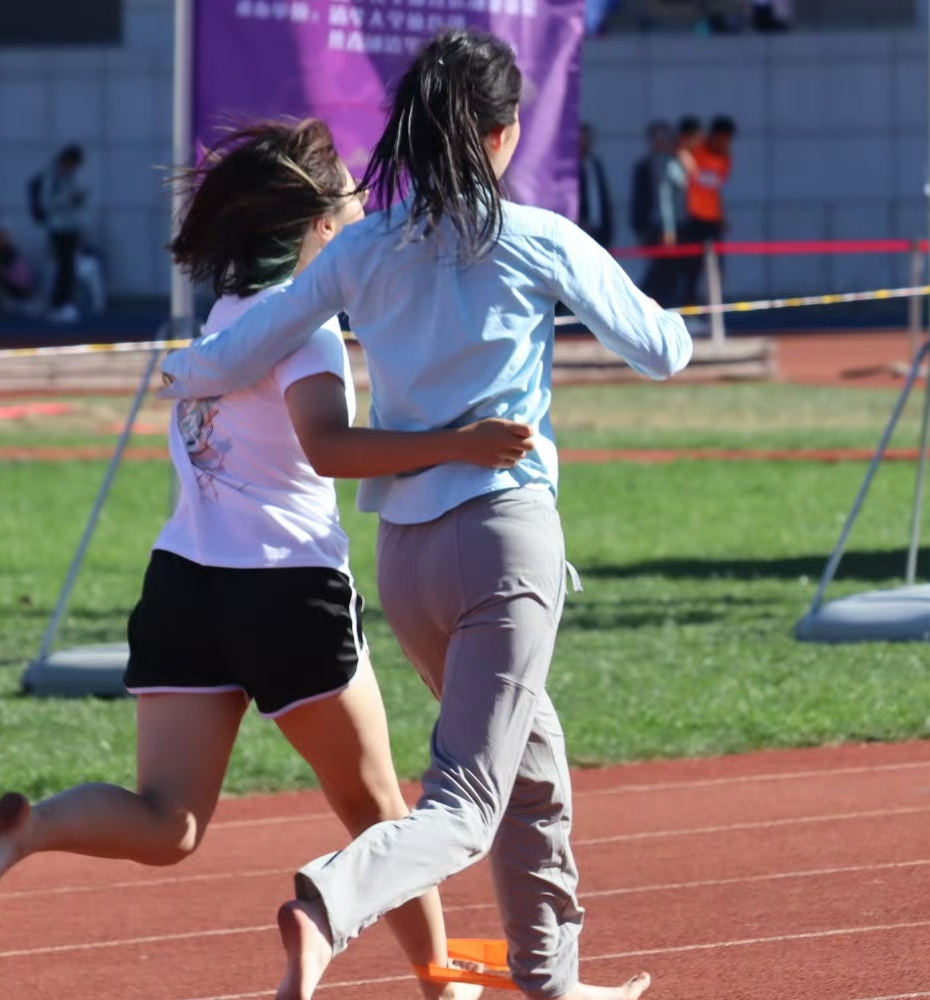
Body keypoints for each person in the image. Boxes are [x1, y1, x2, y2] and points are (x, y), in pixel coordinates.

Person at [0, 119, 538, 1000]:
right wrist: (458, 443)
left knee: (167, 822)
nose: (364, 214)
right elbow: (328, 448)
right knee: (377, 809)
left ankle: (33, 829)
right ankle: (439, 987)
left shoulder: (220, 324)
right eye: (352, 204)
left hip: (183, 588)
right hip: (286, 593)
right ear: (318, 225)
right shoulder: (303, 331)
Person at [154, 28, 689, 1000]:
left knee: (529, 763)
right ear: (501, 135)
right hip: (502, 540)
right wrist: (677, 327)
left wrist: (179, 371)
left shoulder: (362, 247)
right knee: (469, 799)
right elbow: (659, 351)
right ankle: (330, 901)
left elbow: (239, 350)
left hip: (406, 559)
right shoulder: (537, 237)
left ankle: (551, 978)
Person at [678, 115, 733, 325]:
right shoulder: (697, 150)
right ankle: (689, 316)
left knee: (717, 271)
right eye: (722, 139)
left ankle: (714, 319)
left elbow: (713, 186)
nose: (725, 144)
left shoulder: (725, 157)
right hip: (694, 219)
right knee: (691, 270)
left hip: (712, 221)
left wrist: (722, 216)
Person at [631, 119, 690, 307]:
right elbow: (660, 199)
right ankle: (644, 305)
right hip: (660, 228)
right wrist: (667, 229)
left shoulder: (675, 161)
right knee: (660, 271)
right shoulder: (652, 165)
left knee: (670, 272)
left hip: (677, 225)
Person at [31, 144, 90, 323]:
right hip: (58, 228)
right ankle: (57, 304)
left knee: (69, 267)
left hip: (70, 226)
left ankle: (63, 302)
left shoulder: (69, 177)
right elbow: (47, 202)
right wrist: (69, 199)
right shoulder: (52, 176)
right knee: (62, 267)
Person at [575, 123, 613, 248]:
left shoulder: (596, 164)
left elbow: (603, 198)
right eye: (582, 138)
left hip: (599, 231)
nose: (585, 142)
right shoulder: (569, 167)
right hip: (579, 229)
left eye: (588, 138)